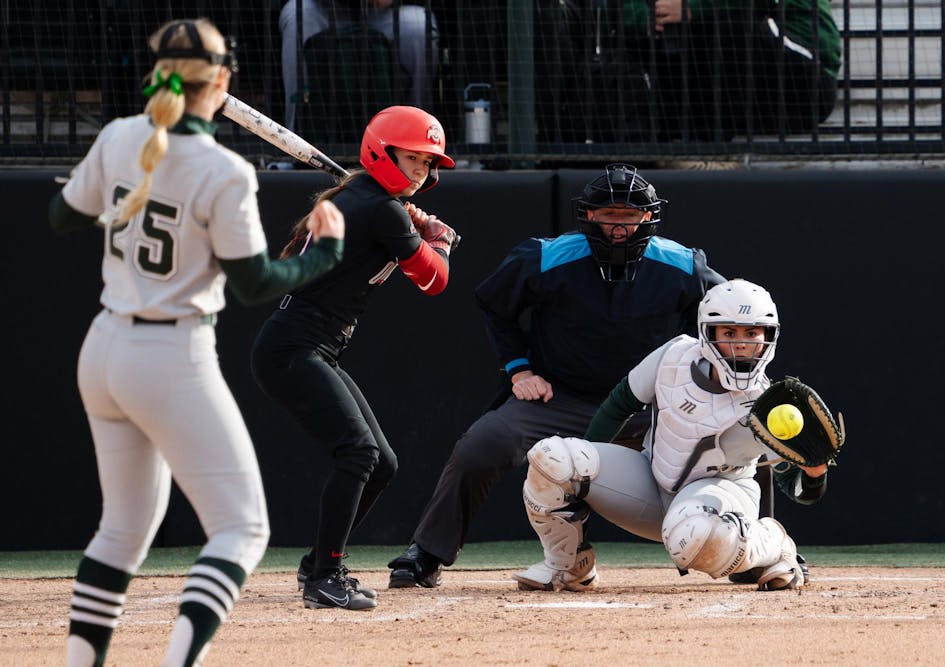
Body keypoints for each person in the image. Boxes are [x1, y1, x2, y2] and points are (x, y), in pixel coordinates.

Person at [49, 19, 346, 666]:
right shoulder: (225, 170)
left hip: (103, 348)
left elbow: (62, 216)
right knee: (243, 528)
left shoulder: (119, 136)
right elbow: (258, 283)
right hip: (169, 356)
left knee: (122, 530)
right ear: (221, 80)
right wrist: (328, 252)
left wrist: (111, 193)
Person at [387, 163, 725, 589]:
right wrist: (519, 368)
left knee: (733, 439)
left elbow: (726, 317)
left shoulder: (682, 264)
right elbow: (492, 302)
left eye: (628, 217)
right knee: (483, 444)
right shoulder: (545, 256)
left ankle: (756, 547)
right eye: (607, 216)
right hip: (561, 399)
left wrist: (700, 387)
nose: (617, 228)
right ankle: (428, 553)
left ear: (648, 218)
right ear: (586, 216)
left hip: (650, 408)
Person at [250, 105, 458, 611]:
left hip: (310, 346)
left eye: (429, 164)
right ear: (381, 153)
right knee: (359, 454)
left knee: (381, 462)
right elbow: (434, 280)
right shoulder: (378, 209)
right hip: (294, 347)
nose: (424, 173)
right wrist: (439, 240)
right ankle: (325, 577)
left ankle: (318, 562)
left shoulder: (369, 203)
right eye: (414, 160)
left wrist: (409, 226)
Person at [512, 279, 830, 592]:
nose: (741, 343)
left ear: (768, 337)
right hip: (651, 479)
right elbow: (619, 404)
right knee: (551, 459)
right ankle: (568, 568)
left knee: (693, 535)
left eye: (751, 333)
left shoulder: (772, 407)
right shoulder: (674, 357)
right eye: (729, 332)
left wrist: (815, 474)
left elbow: (799, 490)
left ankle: (774, 544)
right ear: (707, 333)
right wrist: (586, 466)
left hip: (719, 500)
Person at [646, 0, 842, 141]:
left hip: (810, 86)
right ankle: (681, 138)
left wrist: (691, 8)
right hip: (760, 104)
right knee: (679, 29)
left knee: (732, 21)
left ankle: (707, 145)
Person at [279, 0, 440, 131]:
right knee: (296, 14)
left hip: (384, 12)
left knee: (418, 25)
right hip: (325, 9)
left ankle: (418, 136)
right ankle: (296, 141)